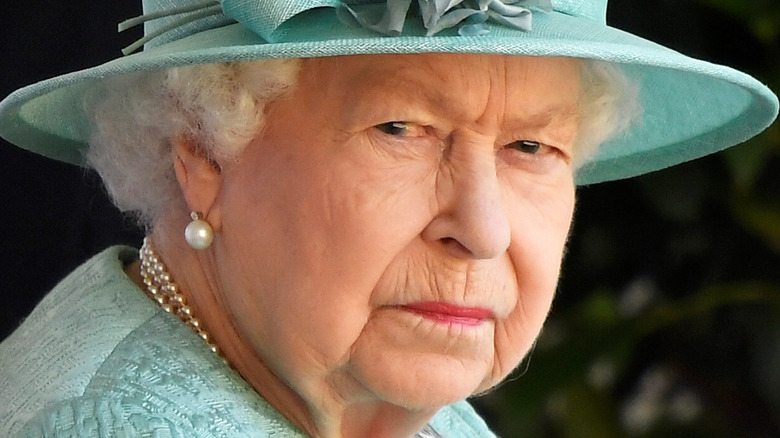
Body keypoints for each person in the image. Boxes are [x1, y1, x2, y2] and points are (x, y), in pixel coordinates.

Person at [0, 0, 776, 436]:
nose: (484, 229)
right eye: (401, 129)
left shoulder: (384, 408)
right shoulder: (109, 425)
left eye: (532, 146)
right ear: (202, 150)